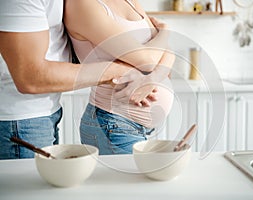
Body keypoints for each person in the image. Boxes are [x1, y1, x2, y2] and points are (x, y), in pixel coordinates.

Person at [0, 0, 155, 159]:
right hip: (20, 119)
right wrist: (127, 71)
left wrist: (161, 43)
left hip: (45, 112)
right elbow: (30, 78)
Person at [64, 0, 175, 154]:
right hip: (113, 124)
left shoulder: (130, 1)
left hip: (131, 126)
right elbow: (148, 60)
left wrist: (154, 77)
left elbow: (168, 51)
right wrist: (165, 32)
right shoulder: (82, 4)